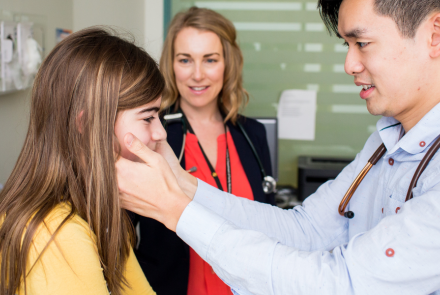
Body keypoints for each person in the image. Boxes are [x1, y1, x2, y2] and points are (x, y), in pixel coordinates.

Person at [117, 0, 440, 294]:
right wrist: (183, 183)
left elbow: (341, 284)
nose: (349, 64)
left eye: (363, 43)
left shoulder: (251, 134)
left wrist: (176, 210)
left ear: (434, 34)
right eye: (347, 44)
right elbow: (303, 229)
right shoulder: (383, 144)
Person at [0, 27, 166, 295]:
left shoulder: (102, 213)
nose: (161, 133)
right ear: (87, 124)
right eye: (148, 117)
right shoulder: (56, 234)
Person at [131, 7, 275, 295]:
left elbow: (269, 223)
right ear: (171, 65)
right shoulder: (152, 134)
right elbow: (119, 234)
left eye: (210, 60)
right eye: (185, 60)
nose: (197, 75)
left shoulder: (253, 135)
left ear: (228, 64)